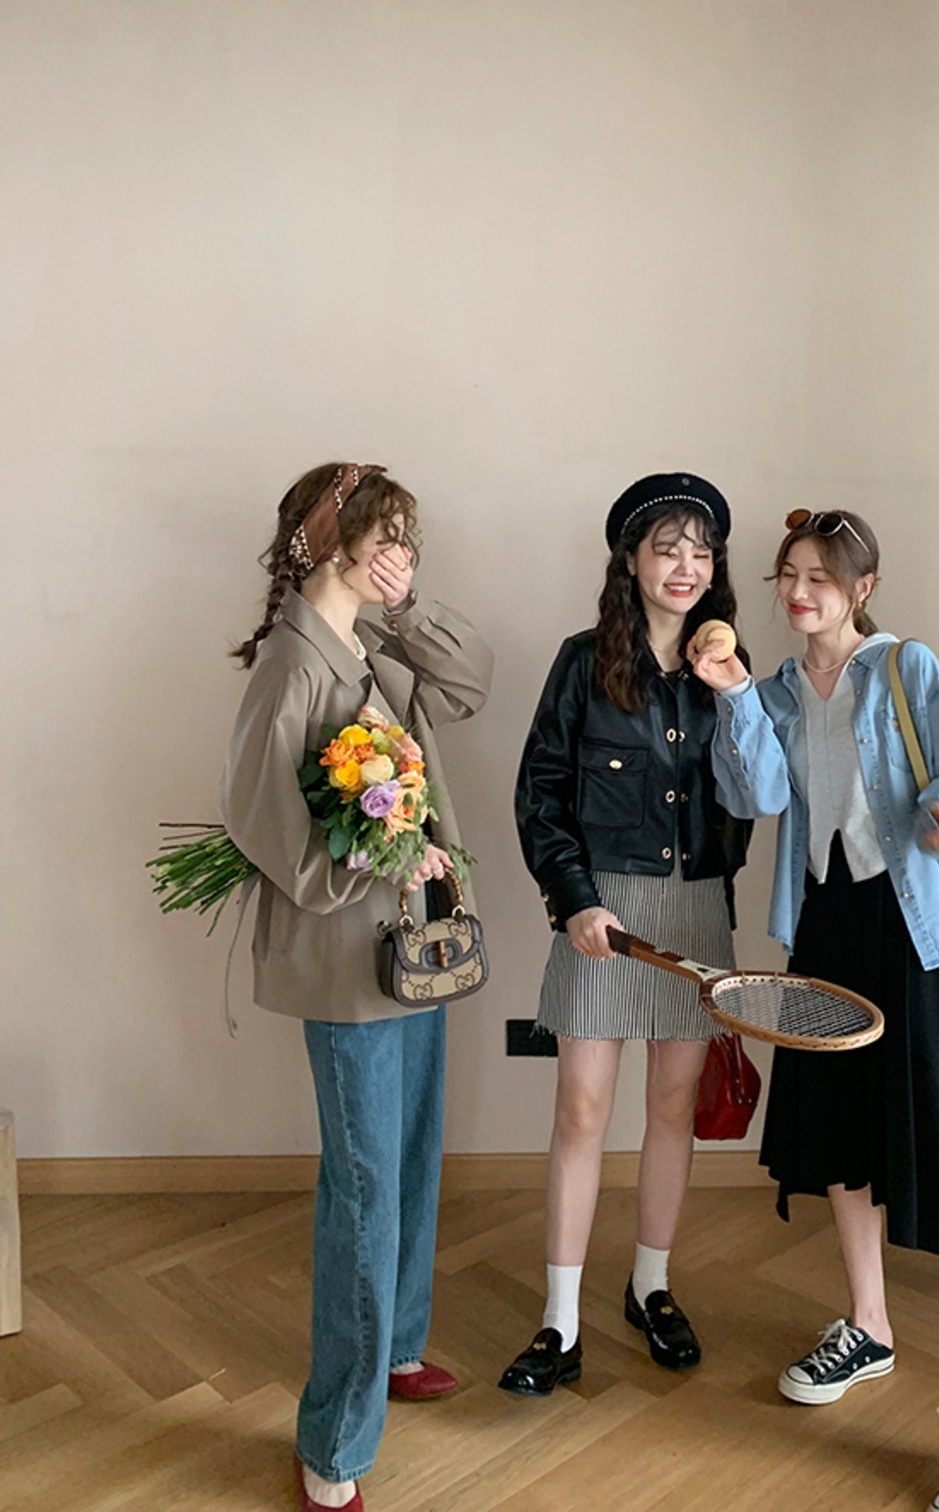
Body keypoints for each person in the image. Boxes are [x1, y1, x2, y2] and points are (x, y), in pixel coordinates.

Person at [705, 507, 939, 1512]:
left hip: (908, 929)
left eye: (820, 576)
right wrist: (732, 696)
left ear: (861, 588)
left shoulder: (905, 668)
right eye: (787, 574)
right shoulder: (773, 687)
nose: (798, 591)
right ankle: (868, 1326)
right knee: (839, 1137)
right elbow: (758, 797)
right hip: (822, 923)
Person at [219, 463, 493, 1512]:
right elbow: (262, 821)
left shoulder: (374, 640)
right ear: (326, 540)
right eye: (385, 537)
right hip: (346, 970)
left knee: (411, 1158)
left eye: (409, 541)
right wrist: (388, 855)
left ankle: (395, 1349)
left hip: (411, 951)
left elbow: (470, 682)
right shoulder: (292, 663)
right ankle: (333, 1445)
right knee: (365, 1193)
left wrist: (407, 605)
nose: (400, 555)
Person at [500, 472, 784, 1396]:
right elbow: (541, 791)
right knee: (581, 1111)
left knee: (671, 1107)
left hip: (696, 906)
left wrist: (735, 695)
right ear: (630, 559)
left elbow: (756, 798)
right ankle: (559, 1320)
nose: (686, 566)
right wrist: (574, 898)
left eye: (702, 551)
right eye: (668, 548)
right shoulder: (583, 662)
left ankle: (651, 1286)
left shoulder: (728, 674)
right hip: (603, 913)